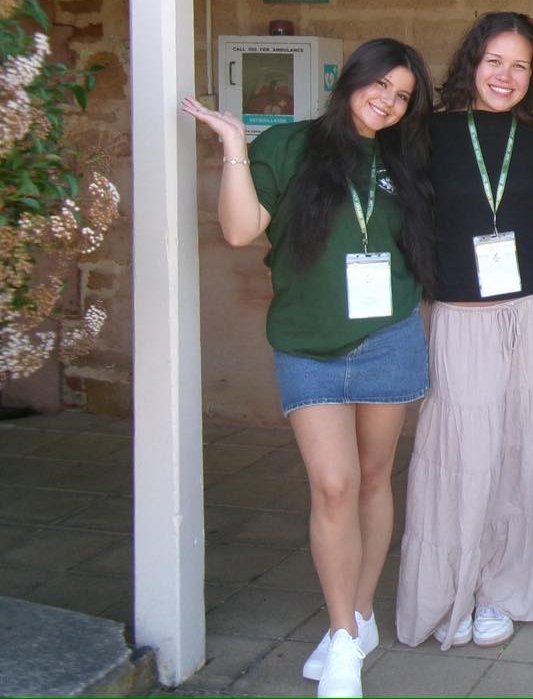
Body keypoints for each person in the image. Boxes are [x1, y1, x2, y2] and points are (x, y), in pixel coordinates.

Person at [182, 39, 435, 699]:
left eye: (402, 95)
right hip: (307, 346)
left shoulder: (403, 158)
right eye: (380, 84)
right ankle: (343, 637)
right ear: (352, 78)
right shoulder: (287, 145)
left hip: (389, 338)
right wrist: (234, 146)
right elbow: (241, 231)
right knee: (332, 484)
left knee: (374, 478)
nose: (387, 101)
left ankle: (359, 617)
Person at [394, 12, 533, 651]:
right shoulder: (427, 131)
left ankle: (508, 588)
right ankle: (461, 586)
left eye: (520, 65)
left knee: (532, 445)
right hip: (464, 310)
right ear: (471, 63)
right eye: (494, 61)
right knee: (466, 451)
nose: (506, 76)